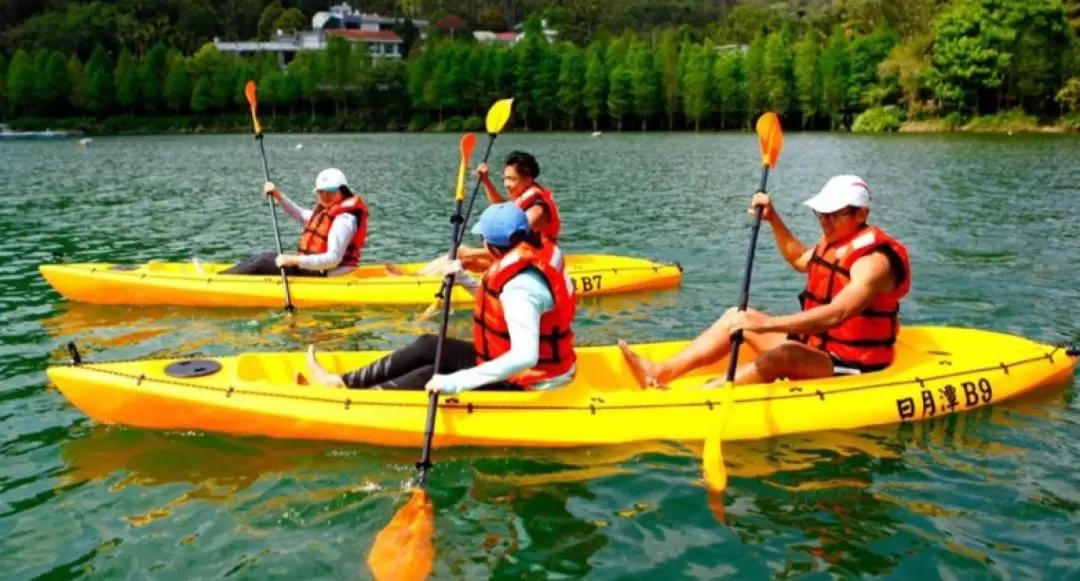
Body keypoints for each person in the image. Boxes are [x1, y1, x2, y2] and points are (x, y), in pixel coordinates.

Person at [619, 175, 911, 388]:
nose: (824, 220)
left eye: (834, 214)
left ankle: (704, 396)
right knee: (737, 316)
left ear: (861, 213)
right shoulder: (836, 242)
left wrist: (766, 325)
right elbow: (799, 259)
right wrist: (773, 218)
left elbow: (837, 314)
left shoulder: (875, 263)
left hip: (854, 364)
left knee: (783, 354)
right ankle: (661, 372)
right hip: (817, 348)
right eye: (821, 213)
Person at [306, 202, 578, 394]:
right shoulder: (533, 253)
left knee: (431, 375)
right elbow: (500, 303)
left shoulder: (521, 287)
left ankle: (356, 402)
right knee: (428, 345)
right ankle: (342, 384)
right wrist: (463, 278)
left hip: (532, 381)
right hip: (505, 359)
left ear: (490, 245)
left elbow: (525, 357)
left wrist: (456, 382)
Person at [386, 151, 562, 276]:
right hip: (519, 258)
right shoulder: (525, 195)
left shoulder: (537, 209)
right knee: (465, 257)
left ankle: (417, 280)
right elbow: (504, 211)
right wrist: (486, 181)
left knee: (463, 253)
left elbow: (512, 239)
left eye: (512, 179)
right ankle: (418, 277)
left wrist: (477, 251)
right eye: (505, 179)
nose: (506, 184)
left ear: (528, 178)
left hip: (535, 264)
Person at [216, 168, 368, 277]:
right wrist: (278, 196)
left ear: (343, 191)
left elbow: (333, 260)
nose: (325, 195)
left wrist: (293, 260)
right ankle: (226, 274)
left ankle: (217, 282)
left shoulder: (344, 220)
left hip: (328, 273)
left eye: (330, 191)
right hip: (318, 269)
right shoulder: (328, 211)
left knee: (263, 262)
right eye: (321, 191)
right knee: (266, 256)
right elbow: (301, 214)